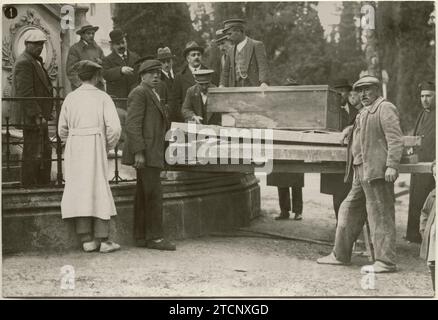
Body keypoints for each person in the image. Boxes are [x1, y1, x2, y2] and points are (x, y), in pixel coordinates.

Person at [317, 75, 404, 273]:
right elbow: (362, 130)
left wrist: (392, 165)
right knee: (347, 209)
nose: (363, 94)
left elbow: (395, 139)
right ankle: (340, 255)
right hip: (360, 171)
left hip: (377, 172)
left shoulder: (385, 108)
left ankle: (386, 262)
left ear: (377, 89)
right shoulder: (364, 112)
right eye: (360, 90)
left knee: (380, 215)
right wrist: (350, 128)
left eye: (367, 89)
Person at [58, 60, 122, 253]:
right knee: (98, 187)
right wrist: (106, 144)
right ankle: (103, 240)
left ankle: (86, 239)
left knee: (80, 188)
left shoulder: (70, 98)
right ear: (96, 76)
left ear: (80, 77)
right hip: (94, 144)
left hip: (75, 144)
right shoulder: (103, 97)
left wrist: (73, 140)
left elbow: (62, 129)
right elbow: (115, 128)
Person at [122, 59, 176, 251]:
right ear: (142, 75)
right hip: (147, 152)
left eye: (158, 73)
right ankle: (155, 238)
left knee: (144, 194)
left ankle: (141, 236)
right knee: (154, 194)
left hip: (152, 151)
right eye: (151, 73)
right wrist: (139, 153)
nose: (156, 76)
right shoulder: (139, 92)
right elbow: (132, 124)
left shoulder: (152, 93)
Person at [12, 29, 53, 187]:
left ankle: (41, 182)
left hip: (38, 115)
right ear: (27, 44)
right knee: (33, 151)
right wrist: (37, 115)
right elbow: (26, 92)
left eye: (42, 44)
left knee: (42, 150)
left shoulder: (35, 60)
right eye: (36, 44)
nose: (40, 47)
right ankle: (30, 185)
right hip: (32, 116)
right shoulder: (24, 62)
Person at [320, 79, 361, 221]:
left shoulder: (357, 112)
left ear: (348, 93)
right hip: (334, 161)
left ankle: (351, 225)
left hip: (352, 161)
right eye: (337, 92)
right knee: (338, 197)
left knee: (353, 195)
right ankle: (340, 225)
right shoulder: (328, 112)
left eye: (343, 91)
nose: (340, 95)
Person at [267, 77, 304, 221]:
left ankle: (298, 211)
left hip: (295, 144)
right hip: (281, 145)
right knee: (281, 178)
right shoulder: (279, 107)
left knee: (296, 180)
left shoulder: (301, 108)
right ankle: (284, 210)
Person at [406, 81, 436, 243]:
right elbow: (417, 135)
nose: (425, 99)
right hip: (418, 163)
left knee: (428, 200)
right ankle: (413, 234)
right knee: (415, 198)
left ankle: (427, 236)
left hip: (431, 165)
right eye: (422, 96)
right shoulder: (422, 113)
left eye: (429, 96)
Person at [102, 29, 140, 148]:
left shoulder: (135, 57)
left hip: (134, 100)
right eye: (118, 44)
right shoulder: (107, 60)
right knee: (120, 127)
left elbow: (139, 76)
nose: (121, 46)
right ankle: (121, 151)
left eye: (123, 42)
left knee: (134, 125)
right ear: (112, 45)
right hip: (118, 101)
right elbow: (105, 74)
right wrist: (120, 70)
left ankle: (134, 148)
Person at [219, 19, 269, 88]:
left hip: (254, 87)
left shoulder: (256, 45)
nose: (228, 37)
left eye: (230, 34)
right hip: (235, 89)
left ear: (239, 31)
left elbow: (262, 66)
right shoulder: (231, 50)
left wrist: (264, 82)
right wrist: (222, 85)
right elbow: (225, 71)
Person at [170, 41, 208, 122]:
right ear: (188, 58)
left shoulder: (209, 73)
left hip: (206, 121)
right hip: (187, 121)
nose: (196, 57)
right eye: (193, 55)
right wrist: (185, 118)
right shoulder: (179, 77)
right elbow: (176, 102)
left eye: (199, 54)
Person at [66, 24, 105, 91]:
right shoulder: (75, 49)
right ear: (82, 35)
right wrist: (81, 85)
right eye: (88, 33)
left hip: (98, 87)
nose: (91, 36)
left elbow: (106, 65)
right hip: (82, 88)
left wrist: (101, 62)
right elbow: (70, 71)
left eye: (93, 33)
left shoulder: (98, 49)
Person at [419, 160, 436, 292]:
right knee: (432, 263)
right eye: (435, 175)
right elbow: (424, 212)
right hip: (434, 237)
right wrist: (424, 230)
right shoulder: (433, 195)